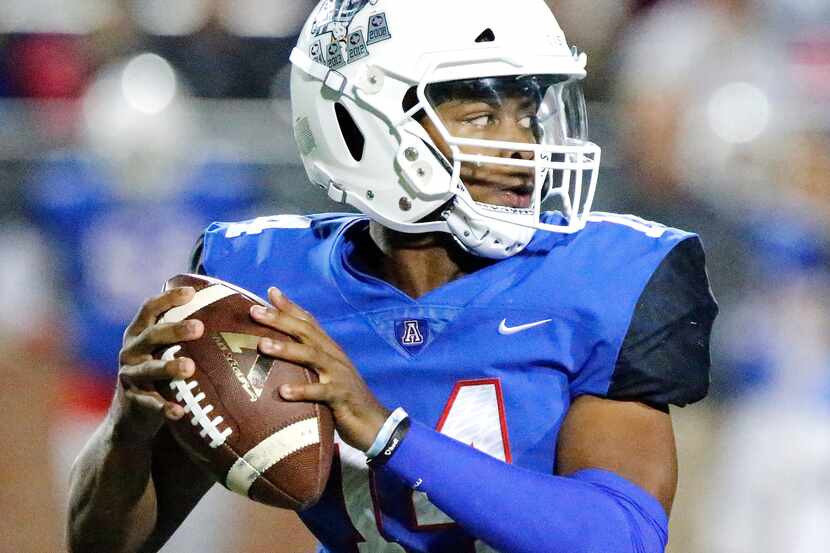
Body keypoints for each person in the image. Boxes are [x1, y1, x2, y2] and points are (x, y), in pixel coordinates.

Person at [66, 1, 718, 552]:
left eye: (528, 112)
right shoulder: (268, 287)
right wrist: (132, 421)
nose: (524, 146)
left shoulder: (600, 278)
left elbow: (621, 535)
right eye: (484, 116)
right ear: (363, 125)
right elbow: (104, 542)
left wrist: (384, 430)